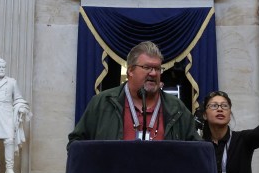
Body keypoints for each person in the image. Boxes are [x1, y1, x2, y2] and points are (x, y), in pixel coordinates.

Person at [69, 41, 197, 142]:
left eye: (157, 68)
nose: (153, 73)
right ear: (130, 70)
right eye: (147, 67)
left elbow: (196, 149)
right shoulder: (102, 102)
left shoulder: (176, 107)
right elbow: (76, 144)